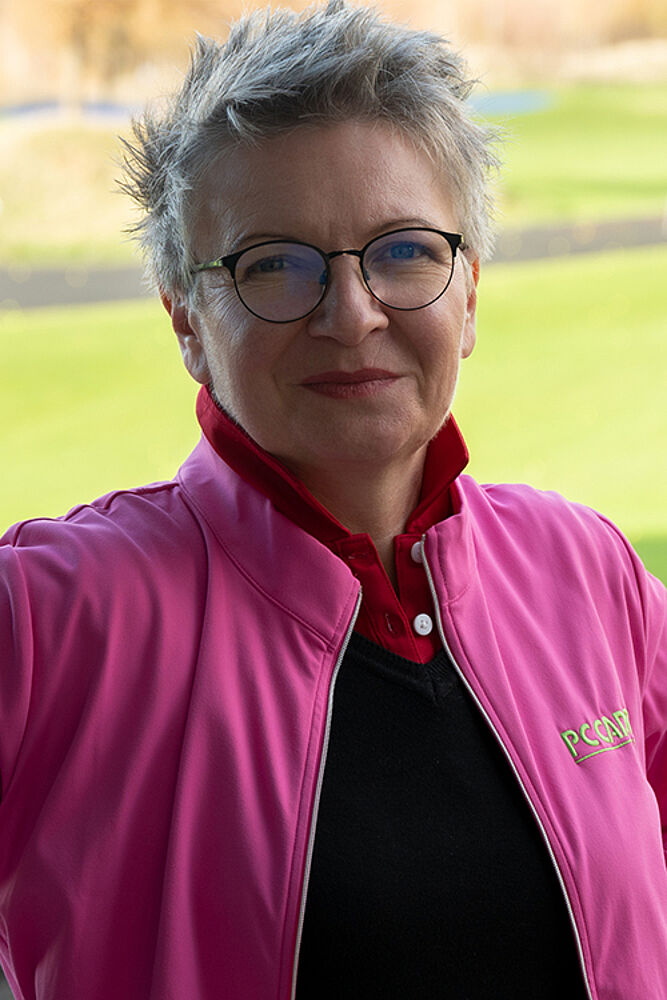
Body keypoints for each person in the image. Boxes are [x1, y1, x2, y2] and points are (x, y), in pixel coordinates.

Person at [0, 2, 665, 998]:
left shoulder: (588, 571)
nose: (350, 316)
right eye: (274, 264)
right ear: (187, 322)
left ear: (468, 293)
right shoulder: (53, 615)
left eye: (403, 250)